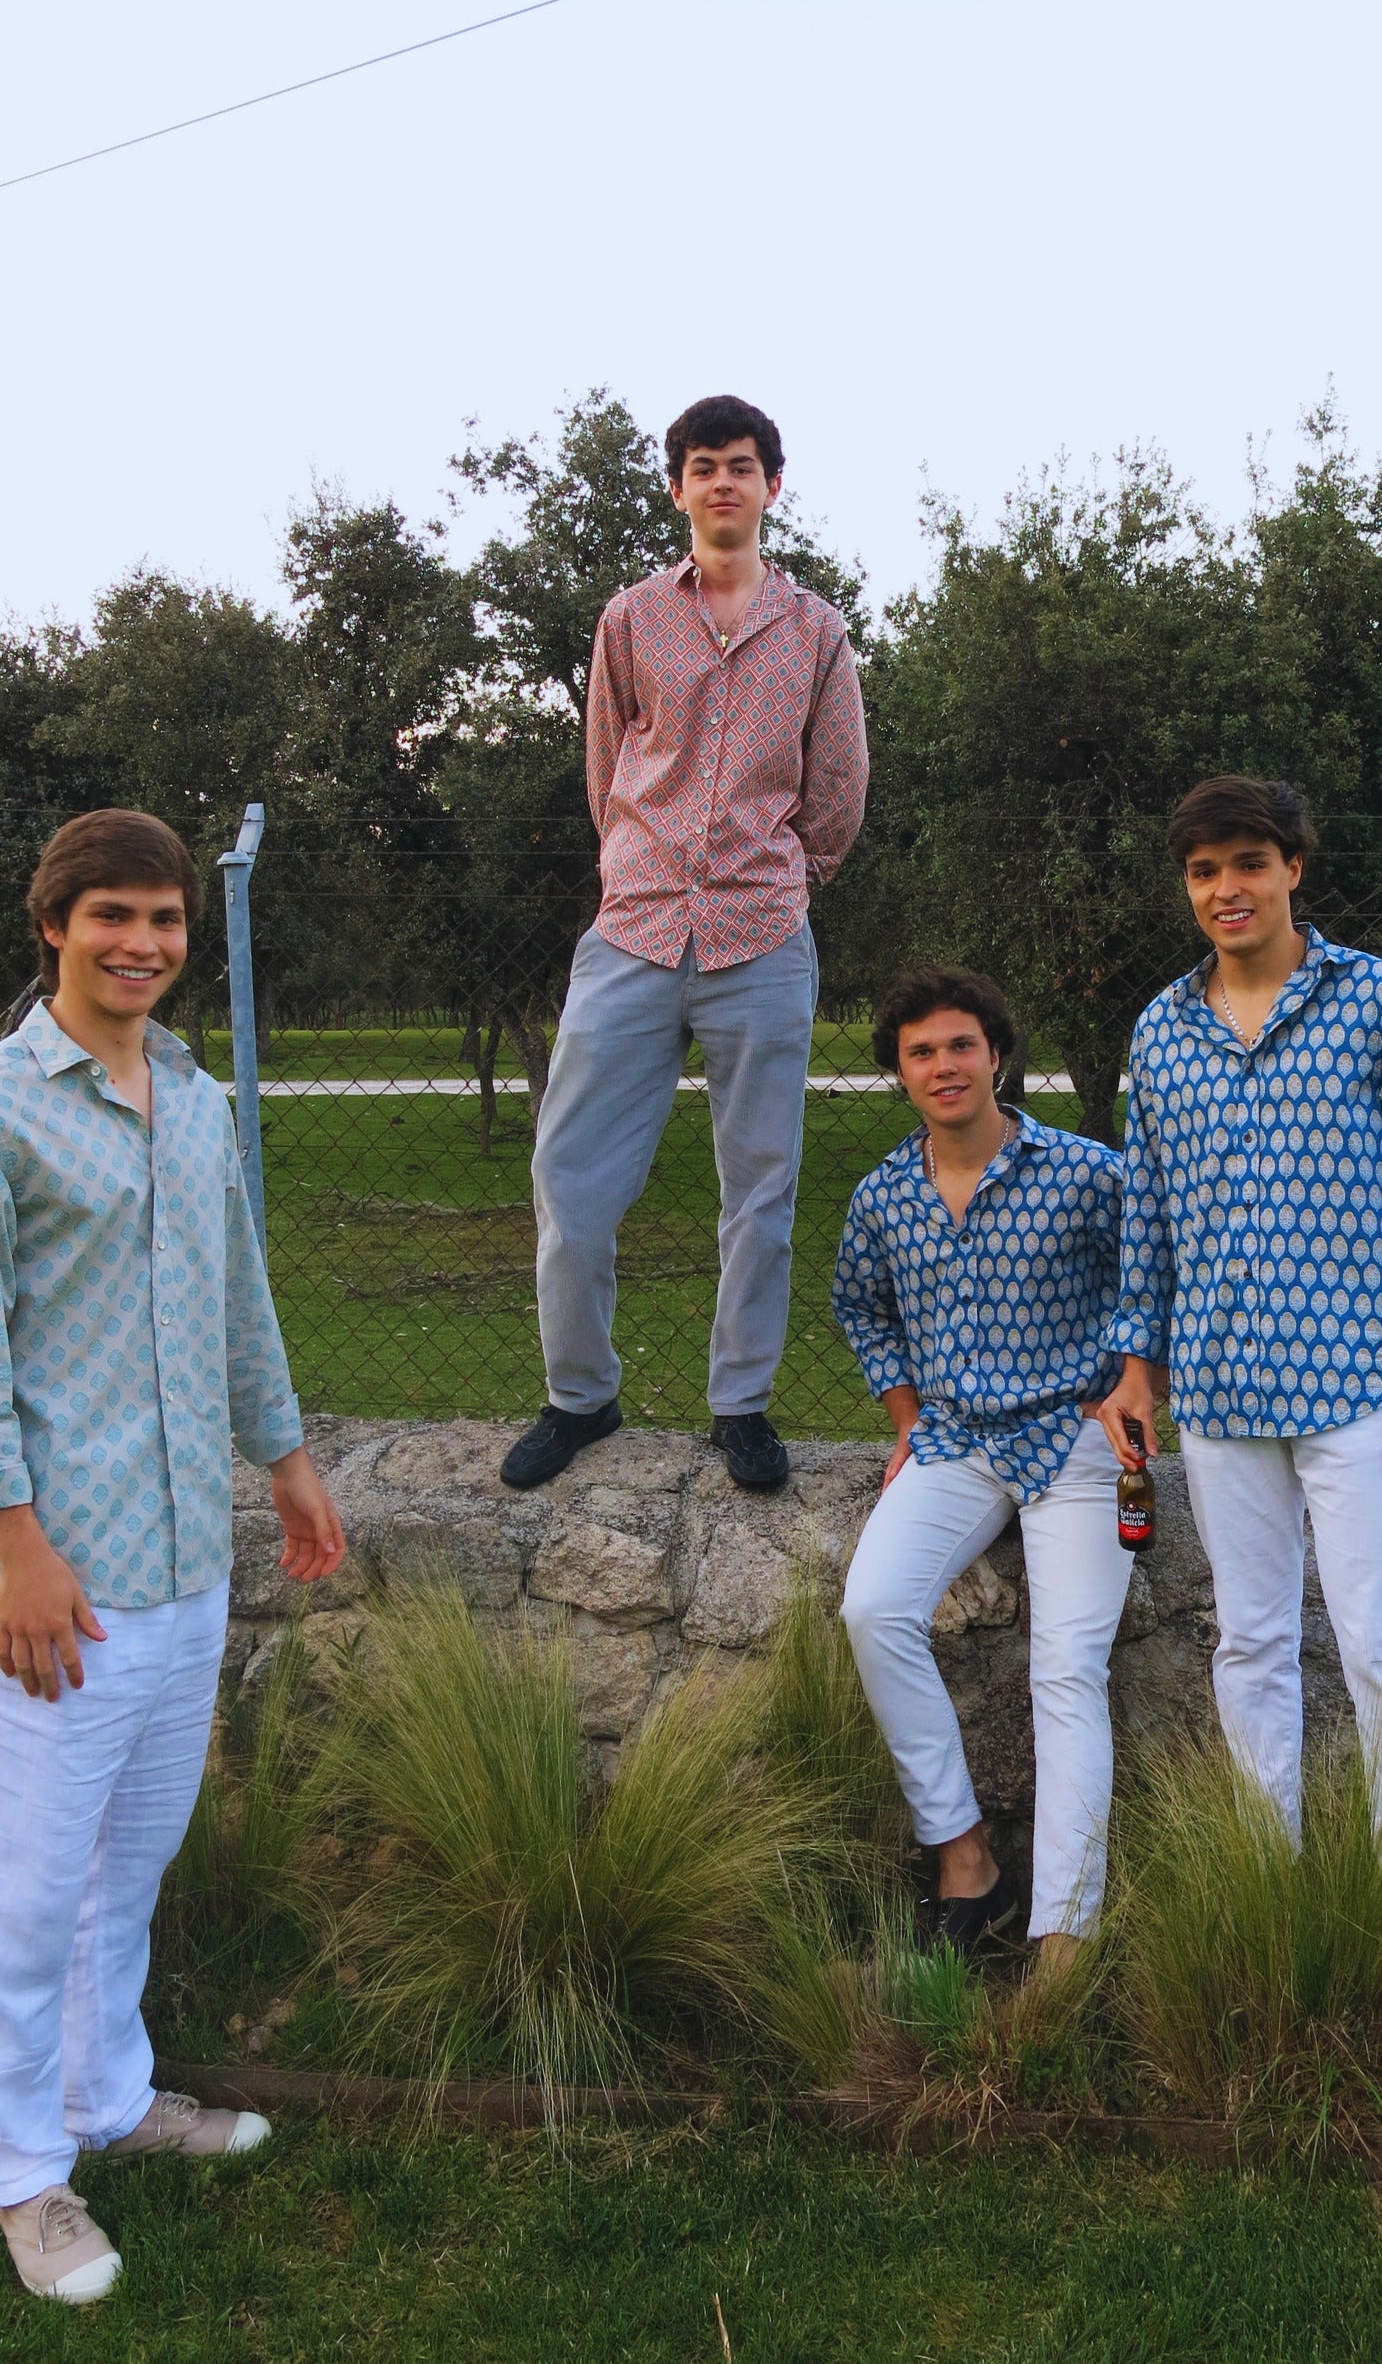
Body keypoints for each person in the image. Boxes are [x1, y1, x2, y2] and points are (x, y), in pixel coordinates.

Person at [0, 809, 345, 2306]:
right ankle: (24, 2178)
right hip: (48, 1577)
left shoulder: (197, 1105)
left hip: (181, 1560)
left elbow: (237, 1299)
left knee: (127, 1867)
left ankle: (107, 2099)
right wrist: (17, 1545)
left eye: (164, 918)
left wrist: (284, 1461)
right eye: (113, 916)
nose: (143, 943)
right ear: (54, 926)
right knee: (25, 1897)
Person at [1097, 775, 1382, 1858]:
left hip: (1360, 1385)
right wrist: (1135, 1368)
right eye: (1204, 871)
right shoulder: (1161, 1031)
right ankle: (1267, 1878)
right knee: (1249, 1644)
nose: (1227, 890)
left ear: (1293, 869)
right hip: (1219, 1392)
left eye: (1248, 865)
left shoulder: (1381, 1002)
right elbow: (1147, 1212)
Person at [502, 395, 868, 1495]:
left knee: (760, 1189)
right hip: (634, 932)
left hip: (762, 936)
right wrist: (637, 862)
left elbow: (838, 784)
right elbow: (607, 764)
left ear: (771, 486)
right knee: (569, 1177)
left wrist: (789, 877)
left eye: (741, 466)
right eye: (703, 466)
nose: (722, 483)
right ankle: (580, 1396)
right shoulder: (629, 620)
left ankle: (741, 1403)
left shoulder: (816, 631)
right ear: (677, 490)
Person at [832, 966, 1133, 1972]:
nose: (944, 1066)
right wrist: (906, 1418)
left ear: (996, 1055)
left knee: (1066, 1670)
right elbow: (862, 1307)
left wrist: (1131, 1386)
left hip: (1073, 1444)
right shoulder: (884, 1197)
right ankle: (966, 1862)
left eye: (961, 1044)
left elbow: (1156, 1278)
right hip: (954, 1444)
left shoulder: (1085, 1174)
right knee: (874, 1610)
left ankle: (1065, 1937)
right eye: (920, 1052)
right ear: (901, 1073)